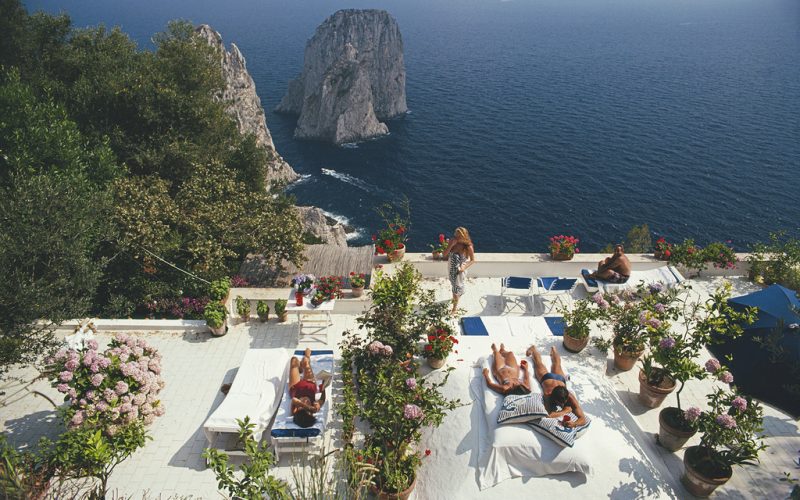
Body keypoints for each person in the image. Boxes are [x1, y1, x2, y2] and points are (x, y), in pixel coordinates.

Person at [526, 344, 587, 428]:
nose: (562, 404)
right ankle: (533, 349)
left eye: (563, 402)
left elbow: (583, 419)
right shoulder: (548, 393)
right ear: (553, 396)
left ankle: (553, 350)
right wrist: (565, 411)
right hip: (546, 379)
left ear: (567, 396)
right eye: (560, 403)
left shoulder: (569, 396)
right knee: (538, 362)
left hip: (560, 380)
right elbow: (548, 414)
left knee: (556, 363)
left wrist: (575, 423)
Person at [289, 348, 326, 428]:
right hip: (309, 385)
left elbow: (294, 400)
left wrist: (308, 408)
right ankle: (306, 359)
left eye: (304, 407)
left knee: (294, 360)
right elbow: (322, 399)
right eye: (308, 404)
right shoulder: (314, 408)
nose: (306, 401)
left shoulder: (294, 412)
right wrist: (324, 386)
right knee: (306, 361)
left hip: (296, 387)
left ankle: (300, 368)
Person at [443, 227, 476, 314]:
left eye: (458, 236)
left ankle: (454, 308)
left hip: (460, 270)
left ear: (463, 236)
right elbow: (444, 254)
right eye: (456, 235)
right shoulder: (452, 241)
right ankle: (460, 291)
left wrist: (464, 268)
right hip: (451, 267)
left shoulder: (468, 246)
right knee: (453, 284)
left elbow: (472, 260)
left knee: (455, 289)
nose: (456, 237)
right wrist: (451, 245)